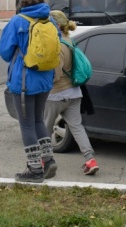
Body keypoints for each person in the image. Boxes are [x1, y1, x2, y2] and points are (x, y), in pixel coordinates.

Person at [0, 0, 59, 183]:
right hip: (45, 80)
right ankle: (48, 160)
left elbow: (5, 52)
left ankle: (34, 169)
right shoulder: (50, 20)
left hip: (23, 81)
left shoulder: (17, 22)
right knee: (38, 119)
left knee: (26, 124)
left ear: (22, 2)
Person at [44, 10, 100, 175]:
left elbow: (56, 74)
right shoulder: (70, 41)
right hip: (74, 93)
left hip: (56, 94)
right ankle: (90, 160)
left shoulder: (58, 44)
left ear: (57, 25)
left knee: (45, 128)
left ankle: (43, 161)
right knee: (77, 127)